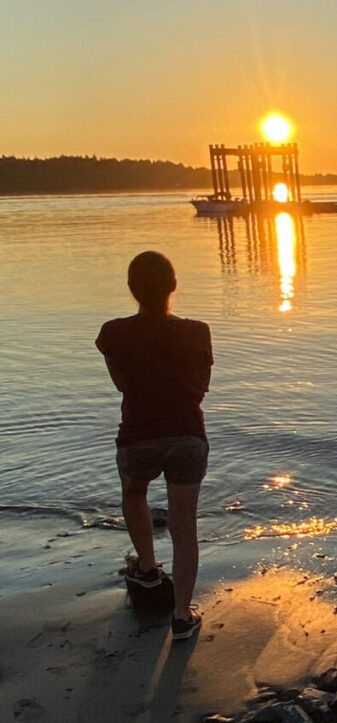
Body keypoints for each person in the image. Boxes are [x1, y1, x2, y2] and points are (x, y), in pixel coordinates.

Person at [96, 251, 213, 641]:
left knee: (134, 493)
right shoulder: (197, 332)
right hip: (186, 436)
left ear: (132, 290)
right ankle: (181, 616)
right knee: (184, 526)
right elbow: (199, 389)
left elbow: (122, 385)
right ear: (173, 286)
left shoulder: (113, 333)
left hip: (138, 436)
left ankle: (147, 569)